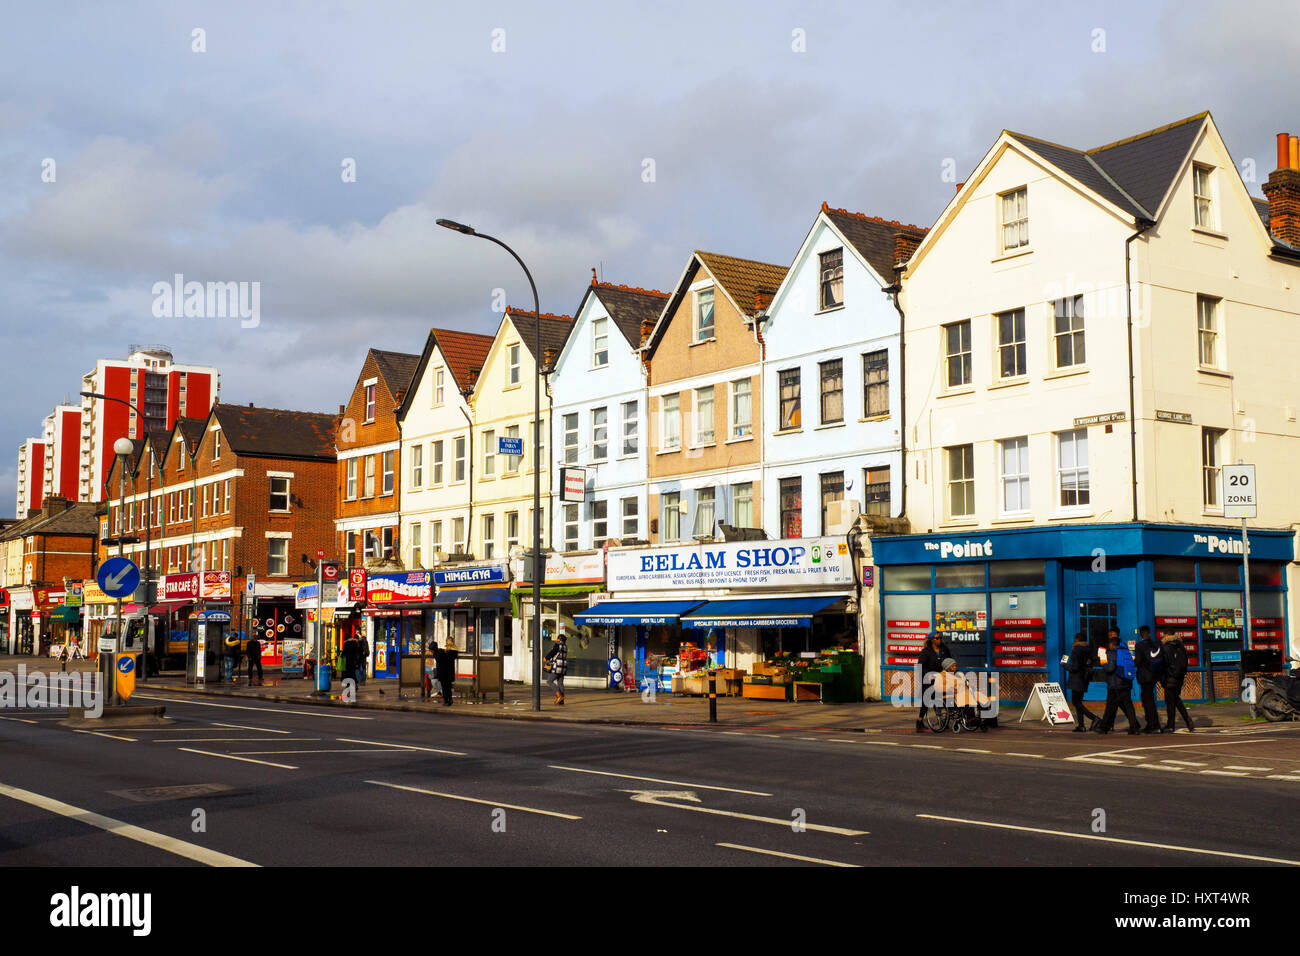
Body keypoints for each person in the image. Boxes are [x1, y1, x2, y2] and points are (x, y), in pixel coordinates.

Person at [1095, 630, 1140, 734]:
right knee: (1128, 706)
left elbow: (1110, 668)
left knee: (1110, 706)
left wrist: (1103, 663)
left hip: (1115, 684)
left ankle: (1104, 727)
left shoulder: (1111, 653)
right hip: (1126, 682)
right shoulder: (1126, 651)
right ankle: (1134, 727)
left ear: (1112, 644)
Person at [1065, 631, 1101, 732]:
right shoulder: (1088, 649)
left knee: (1076, 702)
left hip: (1076, 679)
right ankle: (1081, 725)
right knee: (1078, 702)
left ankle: (1094, 718)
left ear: (1077, 639)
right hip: (1084, 678)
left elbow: (1074, 667)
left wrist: (1064, 665)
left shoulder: (1076, 650)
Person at [916, 633, 952, 731]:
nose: (939, 639)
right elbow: (920, 666)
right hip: (929, 679)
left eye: (940, 638)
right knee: (928, 697)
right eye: (937, 638)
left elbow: (950, 662)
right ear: (932, 640)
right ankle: (919, 721)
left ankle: (943, 720)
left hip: (942, 677)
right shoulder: (926, 652)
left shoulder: (945, 650)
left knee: (943, 696)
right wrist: (929, 674)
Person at [1160, 631, 1194, 733]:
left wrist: (1164, 677)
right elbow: (1185, 662)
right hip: (1179, 678)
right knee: (1175, 700)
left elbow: (1164, 664)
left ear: (1167, 635)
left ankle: (1171, 725)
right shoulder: (1181, 646)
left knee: (1170, 702)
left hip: (1169, 677)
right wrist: (1182, 674)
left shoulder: (1165, 647)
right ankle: (1187, 720)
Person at [1133, 624, 1164, 733]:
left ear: (1141, 635)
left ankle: (1153, 725)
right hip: (1154, 675)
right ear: (1149, 634)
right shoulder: (1155, 644)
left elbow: (1137, 662)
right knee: (1150, 700)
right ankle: (1152, 724)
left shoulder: (1139, 646)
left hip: (1144, 676)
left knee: (1147, 701)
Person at [544, 632, 568, 705]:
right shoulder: (565, 646)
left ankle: (559, 696)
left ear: (559, 639)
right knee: (560, 683)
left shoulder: (558, 645)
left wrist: (546, 658)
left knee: (549, 681)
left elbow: (553, 652)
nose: (556, 640)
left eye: (557, 638)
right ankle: (561, 700)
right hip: (563, 667)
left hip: (557, 666)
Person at [434, 638, 458, 706]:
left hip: (443, 671)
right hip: (450, 672)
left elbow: (439, 659)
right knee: (448, 687)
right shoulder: (454, 651)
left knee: (444, 687)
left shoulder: (445, 651)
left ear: (447, 642)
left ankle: (446, 700)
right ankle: (450, 699)